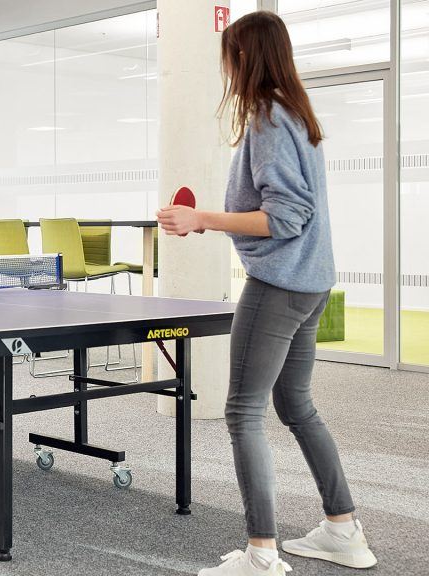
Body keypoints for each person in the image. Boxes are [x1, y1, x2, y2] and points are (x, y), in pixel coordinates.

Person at [156, 12, 377, 576]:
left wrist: (201, 218)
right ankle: (343, 529)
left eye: (228, 55)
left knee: (242, 412)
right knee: (296, 405)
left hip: (279, 286)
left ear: (244, 56)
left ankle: (261, 555)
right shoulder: (298, 113)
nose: (224, 67)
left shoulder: (267, 118)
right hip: (311, 285)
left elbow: (285, 217)